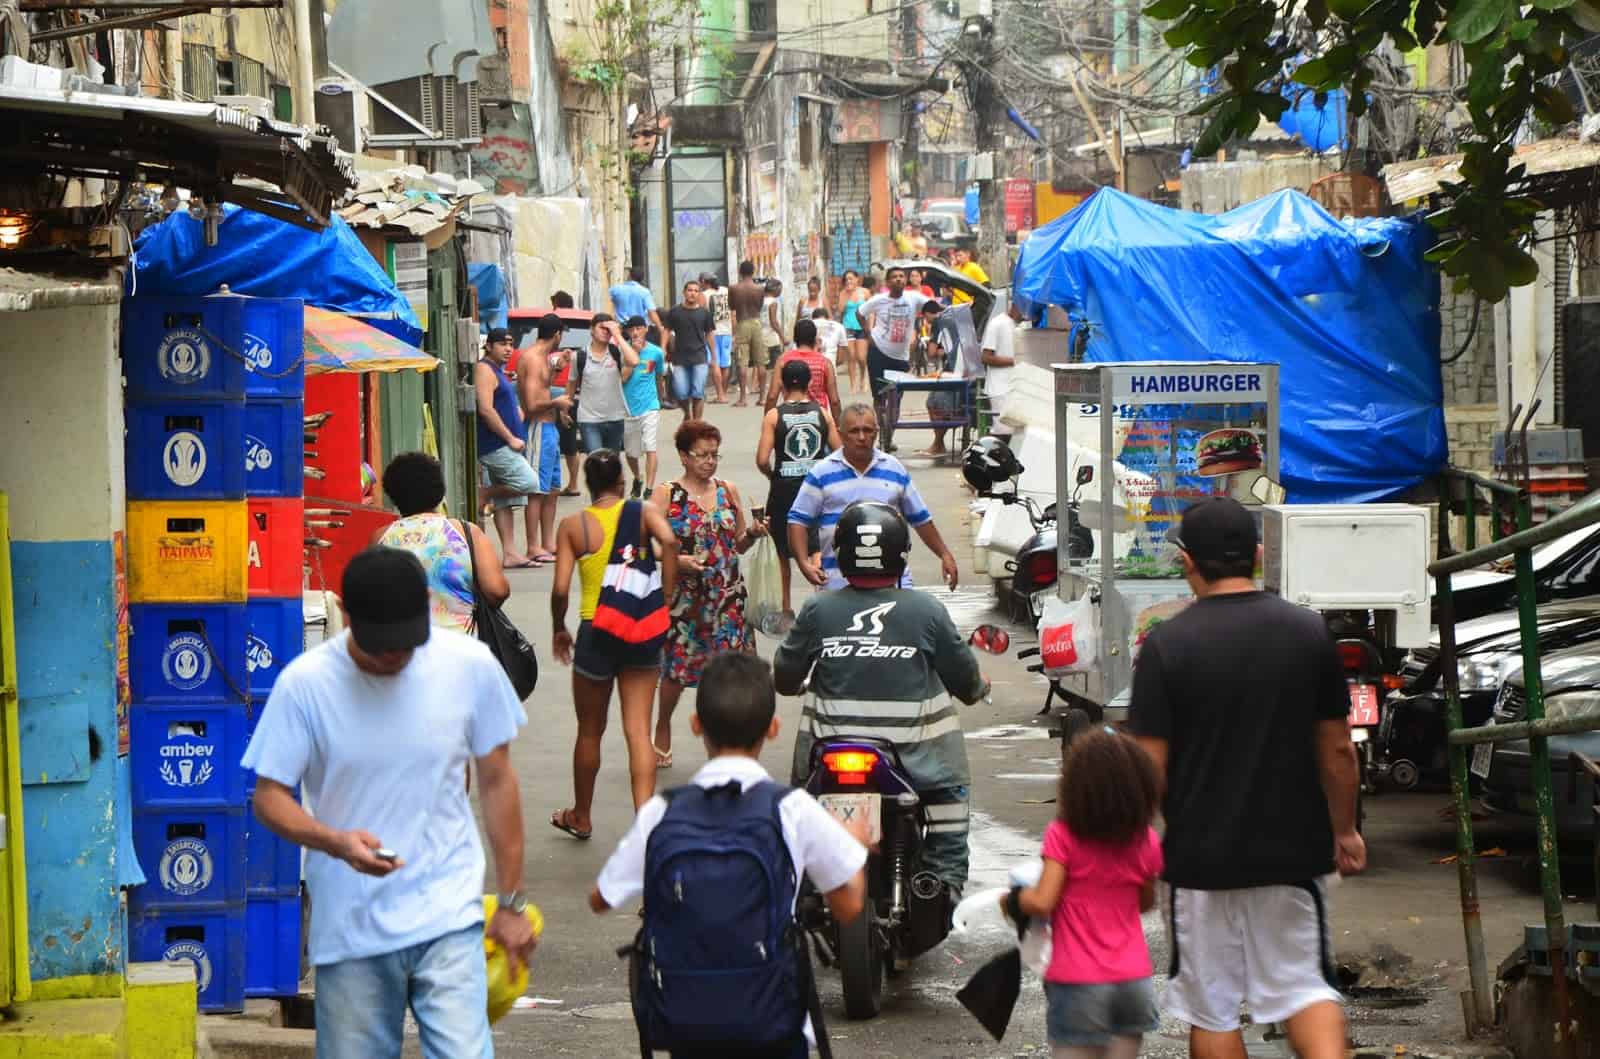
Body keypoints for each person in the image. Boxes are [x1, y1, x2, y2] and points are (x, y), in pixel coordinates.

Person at [243, 548, 534, 1057]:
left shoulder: (468, 665)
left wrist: (510, 903)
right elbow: (268, 798)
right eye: (378, 646)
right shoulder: (305, 685)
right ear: (346, 614)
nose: (392, 657)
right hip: (350, 930)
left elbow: (497, 781)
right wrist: (333, 841)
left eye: (405, 642)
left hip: (448, 913)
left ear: (426, 604)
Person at [1129, 497, 1365, 1059]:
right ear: (1258, 555)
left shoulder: (1166, 645)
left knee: (1211, 1007)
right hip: (1293, 856)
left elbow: (1149, 768)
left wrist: (1138, 850)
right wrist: (1346, 830)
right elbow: (1337, 749)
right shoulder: (1308, 632)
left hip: (1199, 861)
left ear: (1186, 562)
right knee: (1304, 990)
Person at [589, 651, 869, 1059]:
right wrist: (855, 845)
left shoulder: (662, 811)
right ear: (773, 729)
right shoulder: (791, 808)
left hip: (685, 1023)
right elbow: (849, 907)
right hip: (774, 1023)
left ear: (696, 724)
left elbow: (602, 898)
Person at [773, 501, 988, 892]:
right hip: (918, 762)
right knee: (948, 823)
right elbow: (965, 679)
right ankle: (942, 886)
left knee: (799, 822)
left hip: (828, 754)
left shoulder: (818, 608)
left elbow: (785, 677)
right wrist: (978, 687)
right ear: (902, 555)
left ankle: (804, 891)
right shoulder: (926, 610)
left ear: (841, 554)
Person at [1009, 729, 1164, 1059]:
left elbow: (1043, 901)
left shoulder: (1063, 836)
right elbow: (1145, 902)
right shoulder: (1146, 839)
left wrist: (1013, 899)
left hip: (1078, 982)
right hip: (1133, 982)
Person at [549, 450, 681, 839]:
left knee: (590, 730)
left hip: (596, 630)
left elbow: (560, 588)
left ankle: (582, 815)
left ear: (588, 485)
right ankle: (645, 822)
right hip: (641, 627)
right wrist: (667, 597)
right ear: (622, 483)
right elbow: (670, 542)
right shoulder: (641, 513)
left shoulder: (574, 526)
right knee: (638, 731)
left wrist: (559, 625)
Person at [650, 420, 766, 768]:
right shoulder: (666, 494)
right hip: (685, 599)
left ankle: (725, 740)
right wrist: (676, 559)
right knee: (676, 672)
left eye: (715, 455)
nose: (709, 462)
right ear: (684, 456)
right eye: (702, 455)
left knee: (731, 676)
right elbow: (646, 544)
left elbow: (738, 543)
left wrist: (756, 534)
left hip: (728, 598)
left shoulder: (728, 490)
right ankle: (663, 725)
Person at [787, 402, 960, 591]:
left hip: (893, 583)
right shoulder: (821, 473)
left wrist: (944, 554)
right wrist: (804, 564)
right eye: (854, 431)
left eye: (867, 430)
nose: (861, 437)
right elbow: (798, 520)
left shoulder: (894, 469)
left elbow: (920, 518)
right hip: (837, 585)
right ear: (841, 434)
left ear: (876, 433)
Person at [376, 452, 510, 631]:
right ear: (439, 491)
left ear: (392, 494)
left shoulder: (381, 537)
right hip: (460, 646)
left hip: (401, 649)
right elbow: (497, 590)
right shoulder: (466, 532)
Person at [757, 360, 839, 622]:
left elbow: (761, 458)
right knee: (815, 546)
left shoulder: (774, 416)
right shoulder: (823, 414)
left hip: (784, 491)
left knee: (783, 549)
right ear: (809, 383)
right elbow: (838, 450)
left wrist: (775, 476)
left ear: (782, 383)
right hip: (816, 489)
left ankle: (786, 607)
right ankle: (819, 603)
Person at [474, 327, 540, 568]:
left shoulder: (499, 372)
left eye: (511, 344)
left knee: (507, 503)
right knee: (529, 483)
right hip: (496, 444)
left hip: (507, 443)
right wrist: (510, 438)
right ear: (489, 346)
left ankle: (510, 553)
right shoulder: (484, 369)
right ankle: (485, 493)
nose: (508, 348)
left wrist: (517, 417)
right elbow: (486, 409)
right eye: (502, 344)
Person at [856, 266, 931, 452]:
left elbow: (931, 307)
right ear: (888, 283)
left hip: (900, 358)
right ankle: (880, 433)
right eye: (894, 277)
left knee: (896, 399)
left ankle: (888, 436)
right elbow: (860, 313)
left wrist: (943, 311)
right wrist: (868, 334)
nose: (898, 279)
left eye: (901, 276)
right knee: (879, 398)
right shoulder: (879, 300)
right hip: (878, 354)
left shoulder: (913, 297)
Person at [516, 313, 572, 560]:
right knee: (537, 489)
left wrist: (555, 370)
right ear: (557, 334)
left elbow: (542, 387)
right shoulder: (531, 358)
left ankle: (547, 543)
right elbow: (530, 403)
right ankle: (532, 546)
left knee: (552, 489)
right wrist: (557, 402)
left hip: (549, 428)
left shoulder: (543, 359)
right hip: (538, 427)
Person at [569, 313, 630, 455]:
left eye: (608, 329)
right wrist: (565, 410)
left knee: (611, 464)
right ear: (591, 330)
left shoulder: (616, 352)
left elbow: (634, 361)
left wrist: (618, 335)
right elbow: (571, 386)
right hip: (589, 420)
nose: (605, 332)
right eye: (602, 327)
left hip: (615, 418)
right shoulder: (579, 356)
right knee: (596, 462)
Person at [621, 318, 668, 499]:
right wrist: (633, 352)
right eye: (631, 329)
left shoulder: (656, 352)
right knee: (631, 452)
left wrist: (661, 397)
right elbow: (623, 378)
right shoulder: (623, 350)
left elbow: (659, 377)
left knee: (650, 445)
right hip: (629, 408)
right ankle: (637, 478)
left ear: (646, 330)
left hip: (650, 405)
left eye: (639, 328)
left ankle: (649, 489)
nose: (635, 333)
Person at [764, 318, 840, 417]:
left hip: (790, 417)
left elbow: (772, 396)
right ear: (814, 339)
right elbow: (834, 401)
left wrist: (767, 423)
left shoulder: (783, 361)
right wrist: (838, 427)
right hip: (819, 419)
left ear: (795, 339)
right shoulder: (825, 363)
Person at [662, 279, 715, 420]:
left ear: (699, 294)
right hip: (679, 358)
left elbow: (709, 334)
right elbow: (666, 330)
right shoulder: (674, 311)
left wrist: (714, 357)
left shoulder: (704, 313)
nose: (692, 293)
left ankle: (696, 424)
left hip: (700, 357)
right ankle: (687, 414)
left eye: (696, 291)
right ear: (684, 292)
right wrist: (662, 349)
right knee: (681, 392)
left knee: (698, 392)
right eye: (690, 290)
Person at [979, 294, 1021, 434]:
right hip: (1000, 389)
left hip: (1015, 387)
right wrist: (1015, 361)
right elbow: (986, 357)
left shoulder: (1021, 325)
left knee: (1015, 431)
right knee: (1004, 431)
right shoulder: (997, 324)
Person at [729, 261, 768, 407]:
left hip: (742, 323)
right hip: (756, 323)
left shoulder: (734, 288)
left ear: (740, 271)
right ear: (753, 271)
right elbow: (759, 306)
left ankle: (743, 398)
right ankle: (763, 397)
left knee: (742, 362)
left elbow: (732, 306)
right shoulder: (759, 289)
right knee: (761, 362)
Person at [547, 333, 582, 497]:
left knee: (558, 441)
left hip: (558, 400)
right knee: (570, 443)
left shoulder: (549, 357)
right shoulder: (584, 354)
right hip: (573, 398)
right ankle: (573, 484)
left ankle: (563, 484)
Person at [702, 272, 732, 404]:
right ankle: (724, 393)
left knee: (715, 362)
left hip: (712, 333)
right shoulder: (726, 291)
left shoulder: (704, 295)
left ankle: (720, 395)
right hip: (727, 331)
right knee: (725, 364)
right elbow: (733, 312)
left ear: (704, 281)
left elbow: (702, 315)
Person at [837, 269, 869, 394]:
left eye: (851, 278)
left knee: (861, 357)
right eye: (846, 279)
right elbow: (840, 310)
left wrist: (870, 325)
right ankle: (852, 385)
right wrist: (847, 295)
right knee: (851, 356)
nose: (848, 281)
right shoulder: (843, 293)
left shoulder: (864, 292)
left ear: (857, 279)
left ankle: (863, 378)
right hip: (848, 326)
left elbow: (871, 309)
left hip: (861, 326)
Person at [609, 267, 664, 334]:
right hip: (639, 329)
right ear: (642, 279)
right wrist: (660, 328)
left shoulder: (615, 289)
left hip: (621, 329)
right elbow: (651, 312)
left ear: (629, 276)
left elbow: (605, 301)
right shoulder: (644, 292)